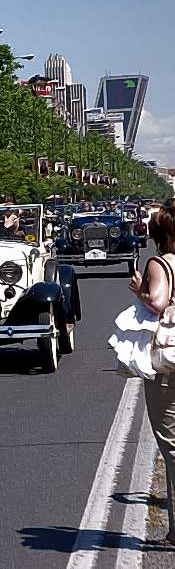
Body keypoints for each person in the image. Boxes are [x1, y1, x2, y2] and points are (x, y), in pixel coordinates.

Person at [129, 203, 175, 546]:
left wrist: (139, 290)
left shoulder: (161, 264)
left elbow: (157, 303)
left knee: (171, 443)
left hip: (169, 363)